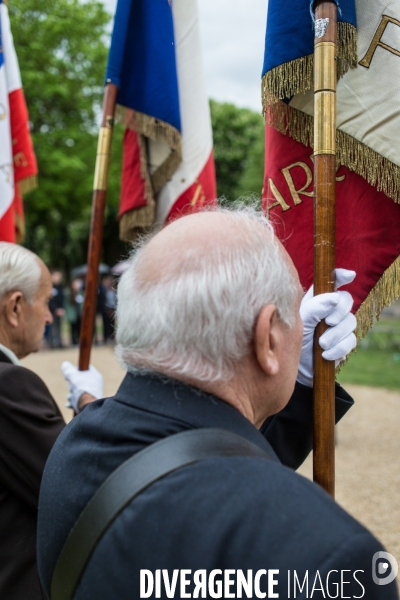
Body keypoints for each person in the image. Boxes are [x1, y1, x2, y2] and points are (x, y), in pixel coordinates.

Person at [37, 207, 398, 599]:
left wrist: (301, 381)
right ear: (268, 339)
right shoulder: (332, 559)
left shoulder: (75, 446)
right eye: (291, 316)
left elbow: (205, 471)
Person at [0, 243, 103, 600]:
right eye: (44, 302)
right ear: (14, 307)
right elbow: (79, 491)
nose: (48, 316)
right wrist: (92, 406)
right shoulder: (8, 384)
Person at [48, 270, 65, 348]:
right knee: (52, 327)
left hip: (60, 310)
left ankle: (59, 342)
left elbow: (62, 299)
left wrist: (61, 309)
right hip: (52, 310)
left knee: (59, 326)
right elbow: (50, 300)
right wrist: (55, 309)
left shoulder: (60, 287)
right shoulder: (50, 287)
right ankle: (52, 342)